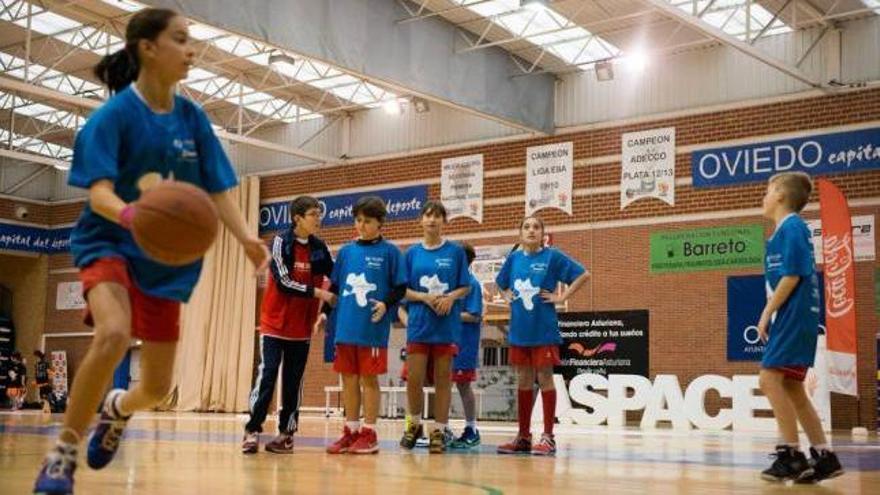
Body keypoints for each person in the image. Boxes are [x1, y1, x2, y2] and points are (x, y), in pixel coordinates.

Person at [33, 8, 269, 494]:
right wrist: (133, 217)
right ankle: (64, 453)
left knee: (158, 388)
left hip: (165, 259)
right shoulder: (113, 118)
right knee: (114, 333)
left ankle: (118, 408)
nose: (191, 50)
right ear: (147, 48)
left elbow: (220, 187)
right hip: (110, 239)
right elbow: (97, 193)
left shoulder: (192, 119)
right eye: (180, 40)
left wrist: (246, 237)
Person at [757, 172, 844, 483]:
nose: (763, 196)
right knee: (792, 387)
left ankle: (791, 456)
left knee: (768, 378)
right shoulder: (785, 230)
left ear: (781, 195)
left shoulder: (792, 226)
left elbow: (792, 276)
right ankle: (824, 456)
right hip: (799, 316)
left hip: (793, 315)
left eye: (768, 190)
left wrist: (767, 312)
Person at [241, 196, 335, 455]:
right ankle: (252, 429)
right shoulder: (281, 242)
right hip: (274, 325)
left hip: (302, 329)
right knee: (268, 376)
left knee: (293, 384)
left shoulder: (320, 247)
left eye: (319, 213)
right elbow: (283, 282)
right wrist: (319, 294)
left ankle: (285, 435)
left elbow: (335, 279)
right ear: (298, 218)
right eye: (313, 214)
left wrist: (324, 313)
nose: (318, 219)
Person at [495, 216, 589, 456]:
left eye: (536, 227)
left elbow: (583, 275)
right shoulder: (514, 258)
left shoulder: (552, 256)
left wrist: (562, 296)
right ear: (520, 234)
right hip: (519, 331)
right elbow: (500, 283)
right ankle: (524, 437)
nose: (531, 230)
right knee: (524, 381)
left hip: (544, 330)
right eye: (526, 227)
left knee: (545, 379)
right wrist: (506, 296)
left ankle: (548, 438)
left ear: (543, 234)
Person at [325, 196, 406, 454]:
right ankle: (351, 430)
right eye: (358, 220)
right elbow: (335, 287)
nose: (361, 225)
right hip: (345, 327)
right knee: (348, 379)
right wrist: (324, 313)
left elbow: (401, 287)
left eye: (367, 221)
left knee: (368, 379)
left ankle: (370, 433)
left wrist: (385, 304)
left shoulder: (391, 252)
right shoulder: (346, 252)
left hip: (371, 327)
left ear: (380, 222)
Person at [399, 201, 471, 454]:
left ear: (444, 221)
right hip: (419, 323)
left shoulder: (455, 252)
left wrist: (451, 298)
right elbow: (402, 290)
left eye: (437, 216)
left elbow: (466, 286)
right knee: (414, 378)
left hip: (445, 325)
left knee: (443, 379)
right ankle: (414, 425)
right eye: (428, 215)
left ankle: (439, 430)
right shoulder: (411, 254)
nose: (432, 220)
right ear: (420, 220)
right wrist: (423, 298)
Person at [449, 243, 483, 449]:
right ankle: (441, 428)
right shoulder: (449, 283)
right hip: (446, 341)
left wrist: (448, 314)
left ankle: (471, 428)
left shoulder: (472, 284)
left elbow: (474, 315)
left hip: (464, 344)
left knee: (463, 385)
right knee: (442, 384)